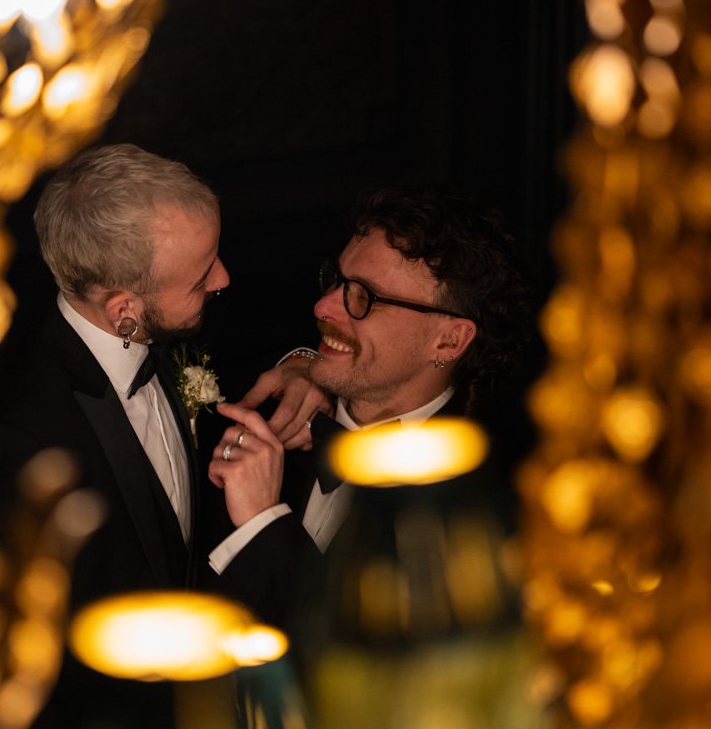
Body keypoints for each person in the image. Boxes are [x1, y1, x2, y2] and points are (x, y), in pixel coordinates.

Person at [0, 141, 229, 729]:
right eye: (202, 274)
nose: (223, 280)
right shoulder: (22, 444)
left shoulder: (171, 338)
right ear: (123, 310)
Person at [206, 183, 535, 625]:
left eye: (364, 297)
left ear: (449, 339)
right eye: (337, 281)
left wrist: (263, 522)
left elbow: (365, 673)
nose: (323, 307)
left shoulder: (481, 508)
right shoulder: (257, 407)